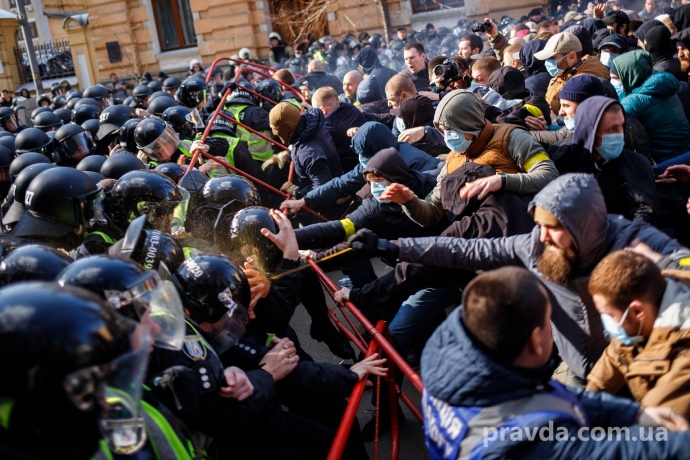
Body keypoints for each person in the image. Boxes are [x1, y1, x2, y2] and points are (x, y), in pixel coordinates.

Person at [352, 173, 690, 383]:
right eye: (538, 225)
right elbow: (462, 249)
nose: (541, 236)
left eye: (552, 227)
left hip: (637, 368)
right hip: (575, 371)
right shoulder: (537, 246)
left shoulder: (633, 241)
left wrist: (669, 265)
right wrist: (393, 246)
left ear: (582, 226)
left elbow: (681, 261)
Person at [421, 266, 690, 459]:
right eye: (548, 322)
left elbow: (550, 394)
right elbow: (627, 451)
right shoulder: (528, 444)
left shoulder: (457, 367)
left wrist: (633, 414)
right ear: (536, 342)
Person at [385, 89, 557, 228]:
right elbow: (432, 212)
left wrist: (502, 181)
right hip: (479, 237)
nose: (447, 137)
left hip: (522, 226)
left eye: (451, 130)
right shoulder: (453, 160)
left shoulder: (512, 138)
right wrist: (409, 202)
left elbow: (549, 175)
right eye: (443, 131)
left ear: (469, 123)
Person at [587, 250, 690, 418]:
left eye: (609, 315)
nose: (606, 322)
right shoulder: (643, 313)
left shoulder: (685, 349)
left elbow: (657, 422)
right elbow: (616, 355)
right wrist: (583, 403)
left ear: (637, 311)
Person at [613, 50, 690, 164]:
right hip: (685, 155)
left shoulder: (635, 101)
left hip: (666, 164)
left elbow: (615, 122)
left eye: (616, 78)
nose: (613, 83)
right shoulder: (663, 87)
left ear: (629, 75)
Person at [269, 102, 344, 219]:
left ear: (287, 126)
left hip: (328, 212)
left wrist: (296, 191)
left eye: (275, 128)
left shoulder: (309, 154)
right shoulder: (311, 126)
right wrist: (289, 154)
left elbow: (323, 190)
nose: (274, 132)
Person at [535, 31, 610, 115]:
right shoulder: (566, 72)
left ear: (571, 56)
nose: (548, 62)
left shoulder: (582, 81)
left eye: (552, 57)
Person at [311, 86, 367, 171]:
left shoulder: (326, 127)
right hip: (368, 160)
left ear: (322, 110)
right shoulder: (351, 108)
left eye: (315, 111)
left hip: (351, 169)